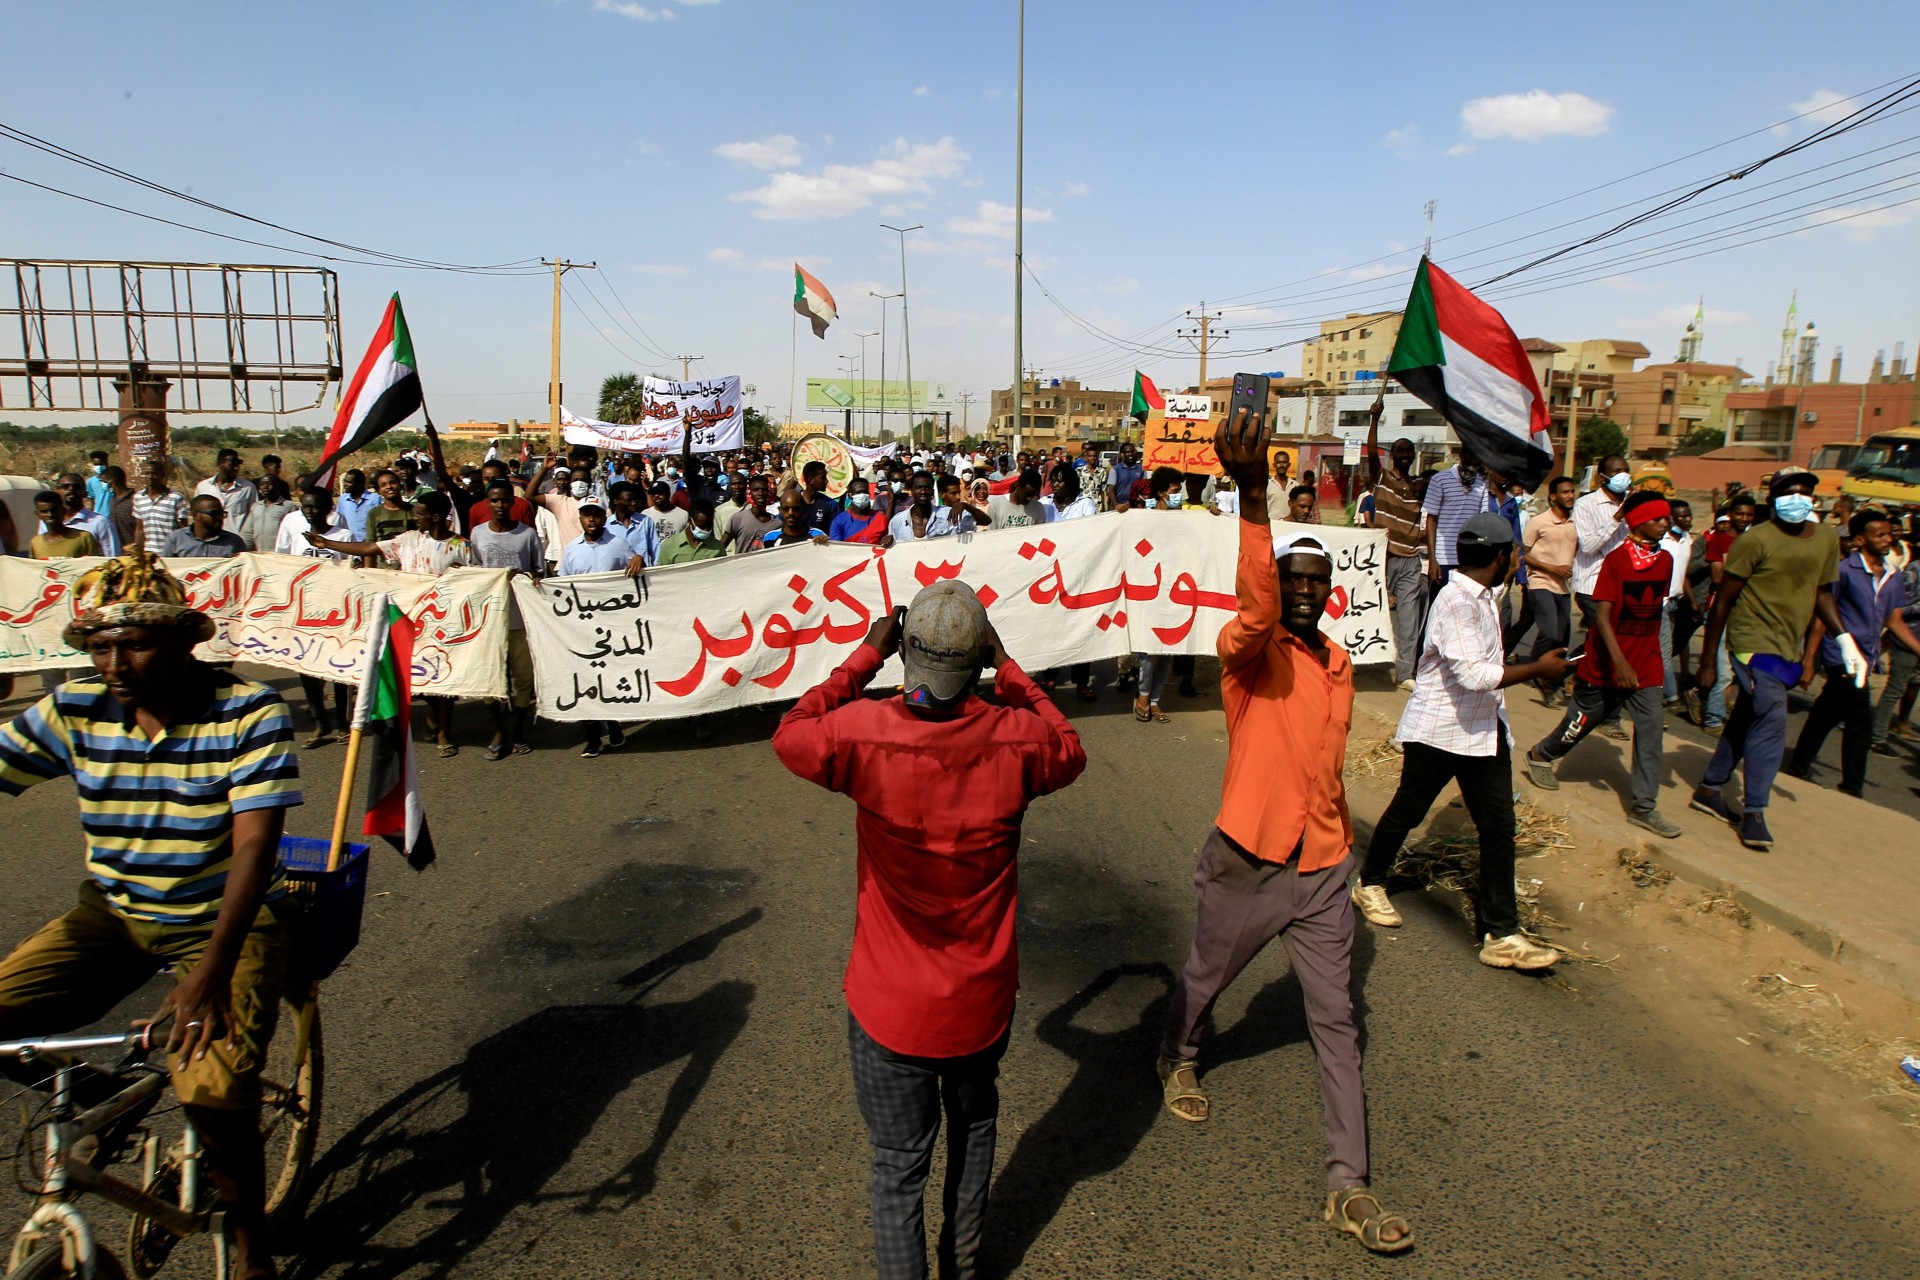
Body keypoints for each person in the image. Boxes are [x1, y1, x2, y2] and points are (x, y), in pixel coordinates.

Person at [0, 551, 302, 1280]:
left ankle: (250, 1243)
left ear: (181, 642)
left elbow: (255, 848)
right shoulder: (73, 708)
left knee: (212, 1089)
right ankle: (108, 1098)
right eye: (100, 646)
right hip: (114, 911)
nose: (115, 663)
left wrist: (207, 974)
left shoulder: (248, 710)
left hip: (222, 918)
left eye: (133, 643)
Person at [773, 583, 1086, 1280]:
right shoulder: (1020, 740)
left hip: (888, 1010)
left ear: (904, 655)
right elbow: (1069, 744)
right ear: (977, 663)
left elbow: (791, 732)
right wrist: (1011, 670)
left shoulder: (863, 733)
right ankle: (965, 1267)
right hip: (980, 1004)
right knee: (973, 1136)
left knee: (897, 1168)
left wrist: (861, 657)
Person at [1155, 406, 1411, 1256]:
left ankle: (1350, 1186)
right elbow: (1257, 604)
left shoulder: (1339, 664)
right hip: (1247, 858)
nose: (1301, 592)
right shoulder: (1246, 650)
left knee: (1337, 1022)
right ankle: (1178, 1052)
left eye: (1314, 583)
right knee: (1205, 977)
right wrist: (1255, 499)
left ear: (1330, 592)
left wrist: (1341, 856)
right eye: (1291, 581)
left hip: (1325, 868)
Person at [1353, 514, 1571, 969]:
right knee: (1408, 810)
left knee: (1498, 828)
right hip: (1440, 730)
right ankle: (1370, 882)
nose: (1517, 557)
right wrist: (1537, 669)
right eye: (1513, 550)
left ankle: (1501, 933)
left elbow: (1484, 664)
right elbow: (1475, 676)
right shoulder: (1456, 601)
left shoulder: (1488, 597)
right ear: (1500, 556)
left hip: (1484, 730)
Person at [1690, 470, 1852, 851]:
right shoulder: (1755, 540)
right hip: (1750, 641)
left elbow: (1824, 593)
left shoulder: (1826, 538)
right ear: (1773, 496)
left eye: (1806, 493)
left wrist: (1844, 638)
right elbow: (1724, 600)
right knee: (1772, 716)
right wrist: (1709, 661)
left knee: (1750, 713)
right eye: (1789, 492)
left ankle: (1710, 788)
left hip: (1786, 644)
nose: (1798, 498)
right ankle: (1756, 811)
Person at [1521, 491, 1683, 838]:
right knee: (1580, 724)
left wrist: (1653, 657)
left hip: (1646, 664)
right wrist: (1621, 663)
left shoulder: (1665, 561)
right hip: (1608, 662)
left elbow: (1654, 614)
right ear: (1639, 522)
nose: (1665, 523)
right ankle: (1541, 754)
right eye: (1658, 518)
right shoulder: (1617, 561)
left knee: (1651, 731)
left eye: (1666, 518)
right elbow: (1604, 618)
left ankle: (1644, 807)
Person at [1785, 509, 1918, 796]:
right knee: (1860, 720)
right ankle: (1852, 786)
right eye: (1879, 534)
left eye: (1889, 534)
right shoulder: (1844, 571)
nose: (1887, 539)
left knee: (1825, 714)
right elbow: (1823, 615)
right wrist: (1809, 659)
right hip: (1840, 655)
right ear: (1860, 539)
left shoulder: (1894, 576)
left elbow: (1894, 622)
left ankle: (1799, 765)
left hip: (1867, 659)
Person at [469, 480, 544, 761]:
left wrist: (529, 578)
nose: (500, 505)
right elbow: (473, 573)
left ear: (512, 503)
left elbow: (539, 571)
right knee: (492, 681)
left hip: (521, 620)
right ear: (487, 503)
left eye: (504, 500)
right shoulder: (477, 535)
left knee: (523, 680)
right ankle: (499, 730)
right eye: (494, 500)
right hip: (490, 621)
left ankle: (518, 730)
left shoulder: (527, 535)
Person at [274, 488, 352, 747]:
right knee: (306, 668)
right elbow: (282, 564)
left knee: (339, 670)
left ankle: (344, 723)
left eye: (315, 507)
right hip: (304, 610)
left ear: (329, 509)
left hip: (336, 612)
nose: (310, 512)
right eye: (305, 507)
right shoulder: (296, 533)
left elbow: (355, 572)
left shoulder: (343, 536)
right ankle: (320, 723)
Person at [1363, 402, 1425, 691]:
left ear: (1413, 457)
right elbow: (1372, 450)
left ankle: (1404, 674)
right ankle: (1358, 658)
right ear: (1393, 455)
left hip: (1411, 560)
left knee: (1409, 619)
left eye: (1408, 451)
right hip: (1384, 557)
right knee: (1370, 609)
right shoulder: (1382, 478)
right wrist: (1374, 419)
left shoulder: (1418, 487)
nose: (1404, 455)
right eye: (1400, 450)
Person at [1697, 493, 1757, 732]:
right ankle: (1712, 719)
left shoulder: (1754, 541)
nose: (1744, 518)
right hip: (1721, 610)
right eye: (1740, 513)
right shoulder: (1720, 541)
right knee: (1722, 671)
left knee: (1741, 669)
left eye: (1749, 515)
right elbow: (1718, 577)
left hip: (1746, 612)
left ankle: (1704, 697)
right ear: (1730, 515)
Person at [1521, 477, 1578, 704]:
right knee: (1550, 632)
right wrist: (1552, 568)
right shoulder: (1539, 522)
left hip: (1564, 587)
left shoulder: (1575, 523)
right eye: (1565, 492)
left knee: (1562, 640)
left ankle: (1551, 677)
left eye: (1572, 492)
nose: (1570, 496)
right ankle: (1538, 671)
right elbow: (1523, 554)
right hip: (1540, 582)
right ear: (1553, 497)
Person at [1871, 534, 1920, 754]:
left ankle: (1899, 724)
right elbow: (1899, 608)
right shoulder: (1914, 571)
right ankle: (1877, 736)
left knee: (1912, 685)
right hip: (1909, 637)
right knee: (1895, 688)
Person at [1418, 447, 1492, 587]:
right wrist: (1433, 560)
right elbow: (1431, 520)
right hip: (1443, 558)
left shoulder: (1483, 483)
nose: (1474, 460)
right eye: (1470, 455)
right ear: (1462, 455)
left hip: (1468, 559)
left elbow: (1483, 520)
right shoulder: (1440, 479)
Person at [889, 471, 973, 543]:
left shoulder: (950, 514)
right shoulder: (897, 522)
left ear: (932, 492)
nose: (923, 492)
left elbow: (982, 523)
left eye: (927, 488)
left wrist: (967, 507)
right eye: (918, 488)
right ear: (912, 491)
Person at [131, 458, 190, 554]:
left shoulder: (175, 497)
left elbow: (183, 529)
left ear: (162, 476)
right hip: (149, 554)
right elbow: (139, 529)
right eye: (147, 473)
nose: (150, 477)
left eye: (154, 474)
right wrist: (138, 553)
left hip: (171, 553)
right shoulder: (138, 497)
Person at [163, 494, 247, 559]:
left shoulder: (235, 542)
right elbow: (165, 572)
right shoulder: (175, 539)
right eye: (214, 514)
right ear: (195, 515)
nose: (219, 518)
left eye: (221, 514)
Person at [195, 449, 259, 533]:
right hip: (209, 538)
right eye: (232, 464)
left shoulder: (248, 488)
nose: (236, 468)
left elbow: (255, 515)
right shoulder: (203, 486)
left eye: (238, 465)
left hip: (236, 540)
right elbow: (196, 514)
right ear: (219, 463)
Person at [29, 490, 101, 559]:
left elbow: (95, 567)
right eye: (44, 511)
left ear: (63, 511)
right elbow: (33, 569)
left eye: (54, 510)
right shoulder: (36, 543)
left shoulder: (84, 538)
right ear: (37, 514)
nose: (50, 514)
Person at [658, 497, 727, 564]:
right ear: (690, 521)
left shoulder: (718, 548)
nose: (706, 530)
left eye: (709, 526)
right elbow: (660, 574)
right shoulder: (669, 545)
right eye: (701, 526)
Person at [725, 475, 780, 553]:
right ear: (749, 493)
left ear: (768, 492)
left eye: (764, 490)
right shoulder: (737, 518)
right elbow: (721, 547)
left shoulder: (777, 523)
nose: (760, 493)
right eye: (756, 490)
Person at [829, 477, 891, 544]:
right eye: (858, 492)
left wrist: (886, 541)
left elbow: (886, 543)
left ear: (869, 495)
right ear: (850, 496)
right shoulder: (839, 520)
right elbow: (836, 547)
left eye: (865, 492)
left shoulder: (881, 519)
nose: (862, 495)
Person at [242, 476, 295, 555]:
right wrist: (244, 552)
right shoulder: (256, 506)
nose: (265, 487)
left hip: (279, 555)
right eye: (262, 484)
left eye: (270, 484)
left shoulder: (289, 506)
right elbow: (247, 533)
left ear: (278, 486)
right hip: (258, 555)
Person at [797, 461, 841, 533]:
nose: (827, 481)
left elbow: (835, 532)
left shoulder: (830, 504)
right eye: (822, 478)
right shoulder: (793, 501)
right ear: (811, 480)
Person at [1107, 442, 1144, 512]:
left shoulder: (1141, 469)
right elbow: (1111, 489)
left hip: (1136, 506)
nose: (1130, 454)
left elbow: (1145, 488)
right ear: (1122, 454)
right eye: (1127, 452)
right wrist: (1116, 505)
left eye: (1132, 451)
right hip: (1119, 506)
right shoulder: (1115, 469)